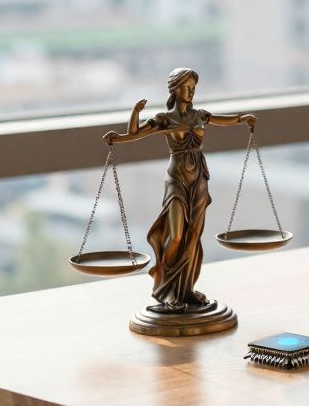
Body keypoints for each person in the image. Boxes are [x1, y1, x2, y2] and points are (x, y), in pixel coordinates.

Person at [103, 68, 256, 312]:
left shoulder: (199, 115)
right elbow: (134, 134)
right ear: (174, 88)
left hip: (199, 180)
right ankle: (165, 289)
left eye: (194, 86)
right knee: (175, 235)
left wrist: (243, 119)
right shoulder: (165, 118)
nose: (191, 90)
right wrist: (132, 116)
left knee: (193, 236)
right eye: (186, 86)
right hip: (176, 180)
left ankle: (186, 291)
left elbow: (222, 119)